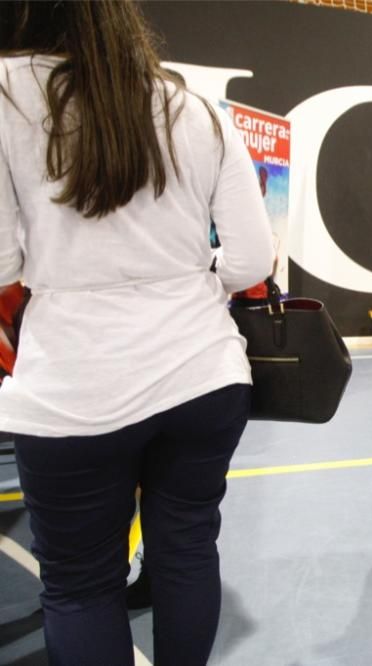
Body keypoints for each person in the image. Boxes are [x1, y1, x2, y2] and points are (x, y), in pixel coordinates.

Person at [0, 3, 273, 664]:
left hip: (72, 389)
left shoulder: (8, 95)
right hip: (202, 376)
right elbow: (250, 263)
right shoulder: (196, 109)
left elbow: (3, 263)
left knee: (80, 585)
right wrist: (182, 277)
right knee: (185, 548)